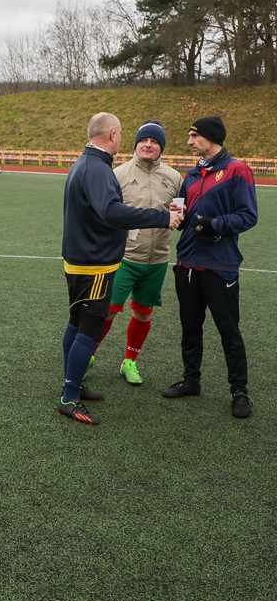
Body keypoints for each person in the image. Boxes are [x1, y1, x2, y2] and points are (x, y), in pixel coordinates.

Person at [60, 112, 182, 426]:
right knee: (89, 329)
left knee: (75, 324)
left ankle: (73, 385)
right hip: (94, 264)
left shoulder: (84, 163)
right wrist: (160, 217)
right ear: (113, 134)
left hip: (81, 259)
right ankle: (69, 397)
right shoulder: (99, 168)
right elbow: (111, 211)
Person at [161, 116, 258, 418]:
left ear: (211, 137)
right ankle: (192, 381)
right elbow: (192, 222)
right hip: (187, 263)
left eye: (194, 136)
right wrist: (180, 217)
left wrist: (214, 224)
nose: (189, 142)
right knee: (190, 328)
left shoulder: (237, 170)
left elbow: (248, 215)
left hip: (220, 265)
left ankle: (240, 392)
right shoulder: (191, 174)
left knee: (229, 331)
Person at [90, 120, 183, 386]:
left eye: (155, 142)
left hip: (157, 260)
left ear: (161, 147)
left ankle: (129, 361)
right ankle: (89, 355)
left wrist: (180, 216)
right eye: (144, 140)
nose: (149, 145)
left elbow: (179, 213)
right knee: (108, 311)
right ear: (136, 144)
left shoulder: (174, 178)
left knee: (143, 313)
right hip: (124, 258)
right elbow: (106, 214)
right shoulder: (117, 174)